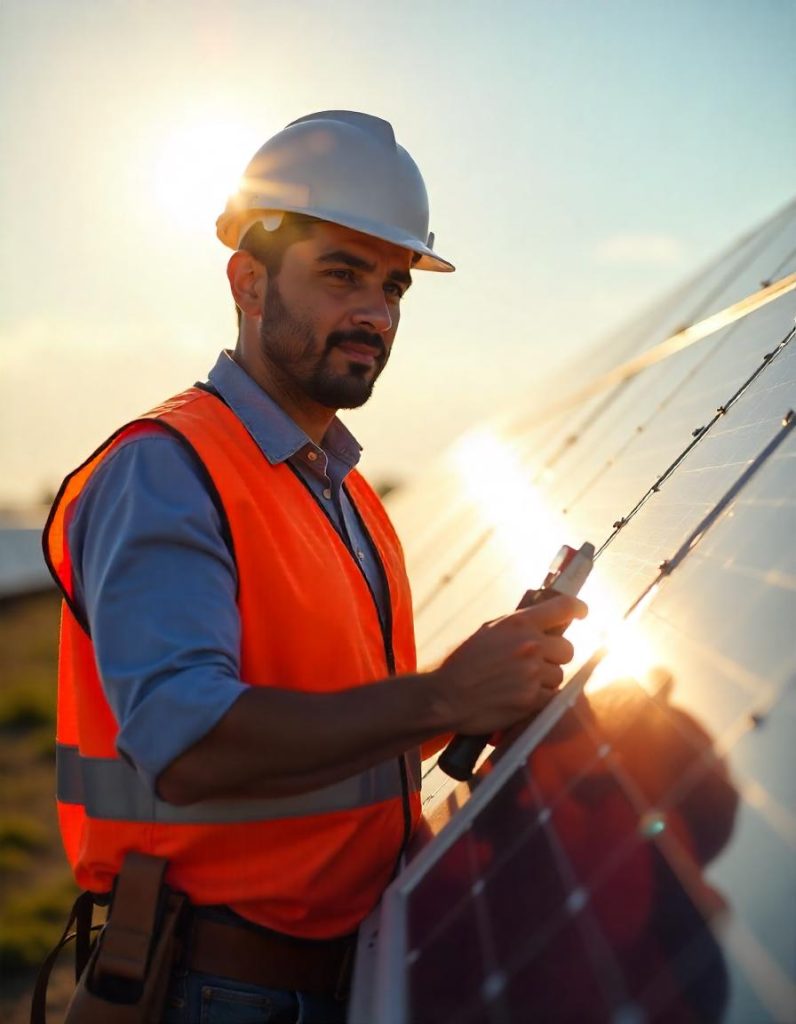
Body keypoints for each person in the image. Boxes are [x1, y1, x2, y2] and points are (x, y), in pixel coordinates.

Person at [44, 111, 586, 1024]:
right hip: (212, 988)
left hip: (337, 971)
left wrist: (488, 688)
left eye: (394, 285)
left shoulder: (345, 492)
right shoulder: (168, 470)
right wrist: (444, 697)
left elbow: (337, 731)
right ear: (248, 282)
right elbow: (188, 742)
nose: (375, 312)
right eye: (342, 274)